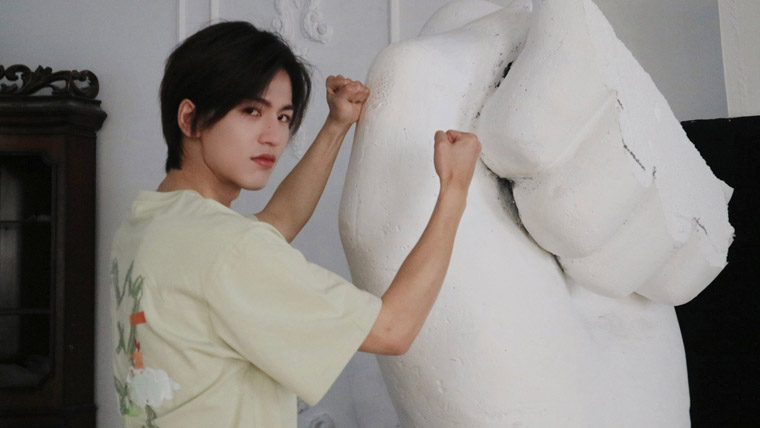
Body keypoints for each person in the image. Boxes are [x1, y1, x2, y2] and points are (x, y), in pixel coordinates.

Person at [110, 20, 481, 428]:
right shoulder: (228, 248)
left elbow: (272, 226)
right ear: (191, 119)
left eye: (284, 117)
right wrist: (454, 189)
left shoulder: (146, 224)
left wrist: (336, 125)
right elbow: (393, 329)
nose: (274, 136)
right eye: (251, 111)